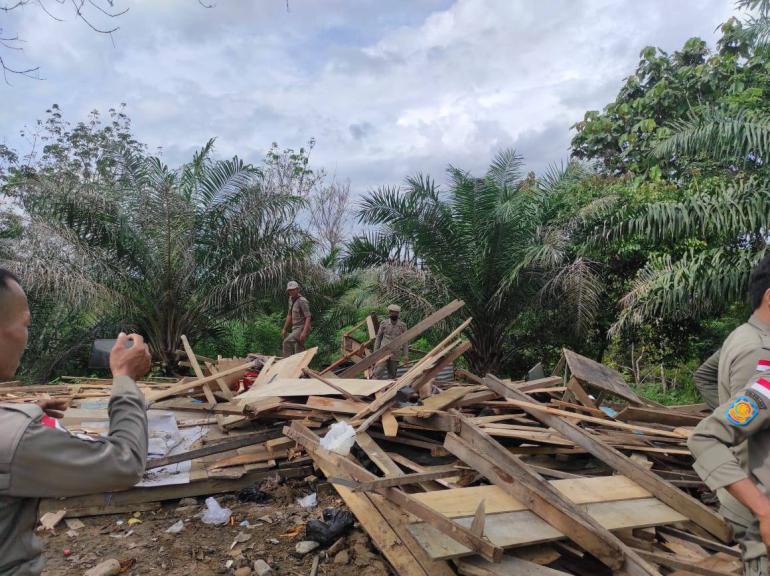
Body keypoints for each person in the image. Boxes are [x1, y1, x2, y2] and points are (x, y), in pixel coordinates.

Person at [0, 268, 151, 575]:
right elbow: (125, 463)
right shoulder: (13, 439)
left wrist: (23, 414)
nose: (26, 335)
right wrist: (124, 379)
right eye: (25, 323)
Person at [688, 254, 770, 576]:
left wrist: (731, 407)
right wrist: (762, 509)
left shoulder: (741, 335)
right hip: (756, 509)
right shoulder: (760, 352)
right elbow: (708, 437)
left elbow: (705, 376)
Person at [373, 304, 409, 379]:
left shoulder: (402, 326)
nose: (394, 314)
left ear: (398, 314)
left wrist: (406, 355)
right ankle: (373, 388)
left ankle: (389, 389)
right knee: (378, 371)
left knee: (392, 374)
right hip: (383, 352)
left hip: (395, 353)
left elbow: (405, 341)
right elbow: (378, 338)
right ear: (389, 313)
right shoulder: (384, 324)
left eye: (396, 313)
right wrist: (375, 351)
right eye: (392, 312)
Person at [281, 280, 311, 357]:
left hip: (302, 327)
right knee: (299, 351)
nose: (291, 291)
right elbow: (289, 315)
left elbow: (308, 317)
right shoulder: (290, 299)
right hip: (295, 328)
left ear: (297, 289)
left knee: (286, 342)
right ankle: (301, 367)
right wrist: (285, 329)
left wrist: (304, 332)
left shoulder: (302, 301)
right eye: (290, 290)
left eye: (293, 289)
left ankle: (286, 364)